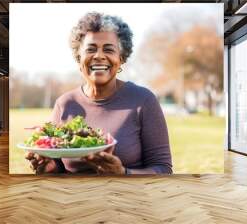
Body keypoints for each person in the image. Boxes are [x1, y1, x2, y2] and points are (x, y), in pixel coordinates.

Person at [25, 12, 172, 175]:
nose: (99, 56)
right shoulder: (64, 104)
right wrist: (49, 168)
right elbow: (59, 166)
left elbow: (163, 169)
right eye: (91, 49)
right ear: (79, 58)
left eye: (109, 50)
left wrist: (124, 173)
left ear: (121, 58)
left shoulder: (143, 100)